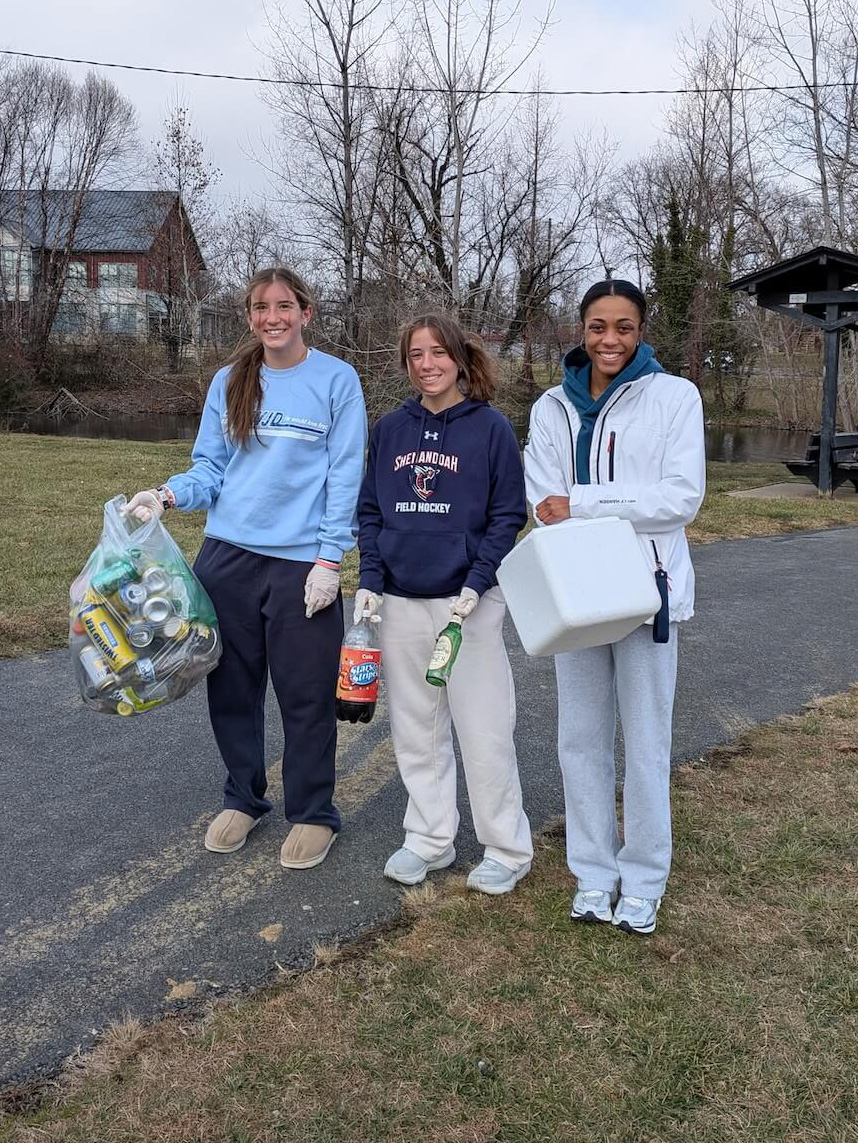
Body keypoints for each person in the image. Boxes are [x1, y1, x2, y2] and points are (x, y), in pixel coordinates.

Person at [125, 267, 367, 871]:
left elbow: (345, 477)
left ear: (306, 312)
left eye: (284, 306)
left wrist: (330, 558)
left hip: (301, 565)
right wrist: (166, 495)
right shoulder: (231, 380)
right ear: (250, 317)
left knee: (305, 694)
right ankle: (244, 797)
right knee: (231, 686)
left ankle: (312, 812)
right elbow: (209, 469)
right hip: (228, 558)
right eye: (261, 308)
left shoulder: (336, 380)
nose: (272, 318)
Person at [524, 279, 705, 935]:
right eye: (598, 326)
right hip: (576, 594)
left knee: (647, 742)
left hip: (644, 592)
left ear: (641, 330)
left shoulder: (674, 397)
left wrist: (586, 503)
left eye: (624, 327)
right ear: (581, 329)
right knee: (580, 739)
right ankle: (594, 873)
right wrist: (572, 508)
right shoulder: (551, 407)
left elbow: (679, 498)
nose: (609, 339)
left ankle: (644, 878)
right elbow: (540, 501)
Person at [354, 314, 533, 895]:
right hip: (401, 600)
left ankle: (506, 848)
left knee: (484, 729)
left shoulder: (491, 429)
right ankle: (429, 838)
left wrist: (478, 582)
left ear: (459, 358)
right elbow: (372, 511)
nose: (426, 364)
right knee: (416, 727)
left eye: (437, 353)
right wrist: (371, 581)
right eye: (415, 355)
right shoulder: (390, 429)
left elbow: (509, 514)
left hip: (469, 601)